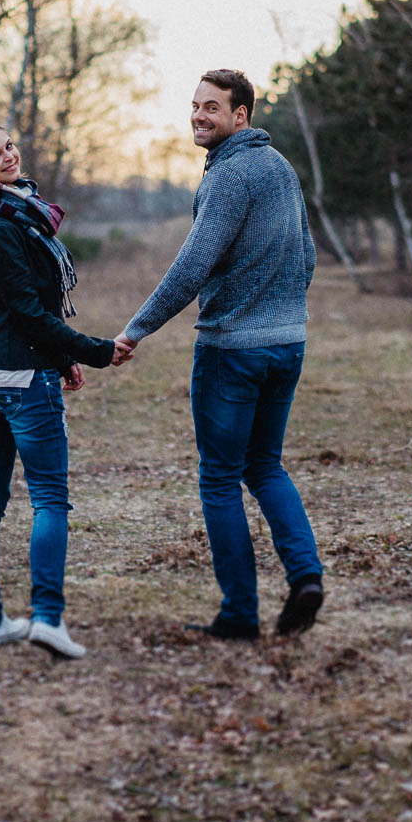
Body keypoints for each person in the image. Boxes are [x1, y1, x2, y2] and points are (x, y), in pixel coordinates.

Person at [111, 69, 325, 640]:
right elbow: (306, 255)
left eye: (212, 107)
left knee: (221, 479)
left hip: (232, 352)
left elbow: (192, 266)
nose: (199, 116)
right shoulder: (280, 167)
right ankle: (306, 576)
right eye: (195, 105)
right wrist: (280, 309)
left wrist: (137, 329)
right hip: (287, 345)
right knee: (265, 465)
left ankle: (238, 616)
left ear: (241, 115)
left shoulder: (230, 174)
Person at [0, 120, 116, 660]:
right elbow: (30, 313)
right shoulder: (1, 224)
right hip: (20, 379)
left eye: (10, 145)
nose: (10, 156)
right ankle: (47, 619)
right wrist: (95, 350)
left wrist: (63, 359)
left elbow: (22, 311)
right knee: (50, 500)